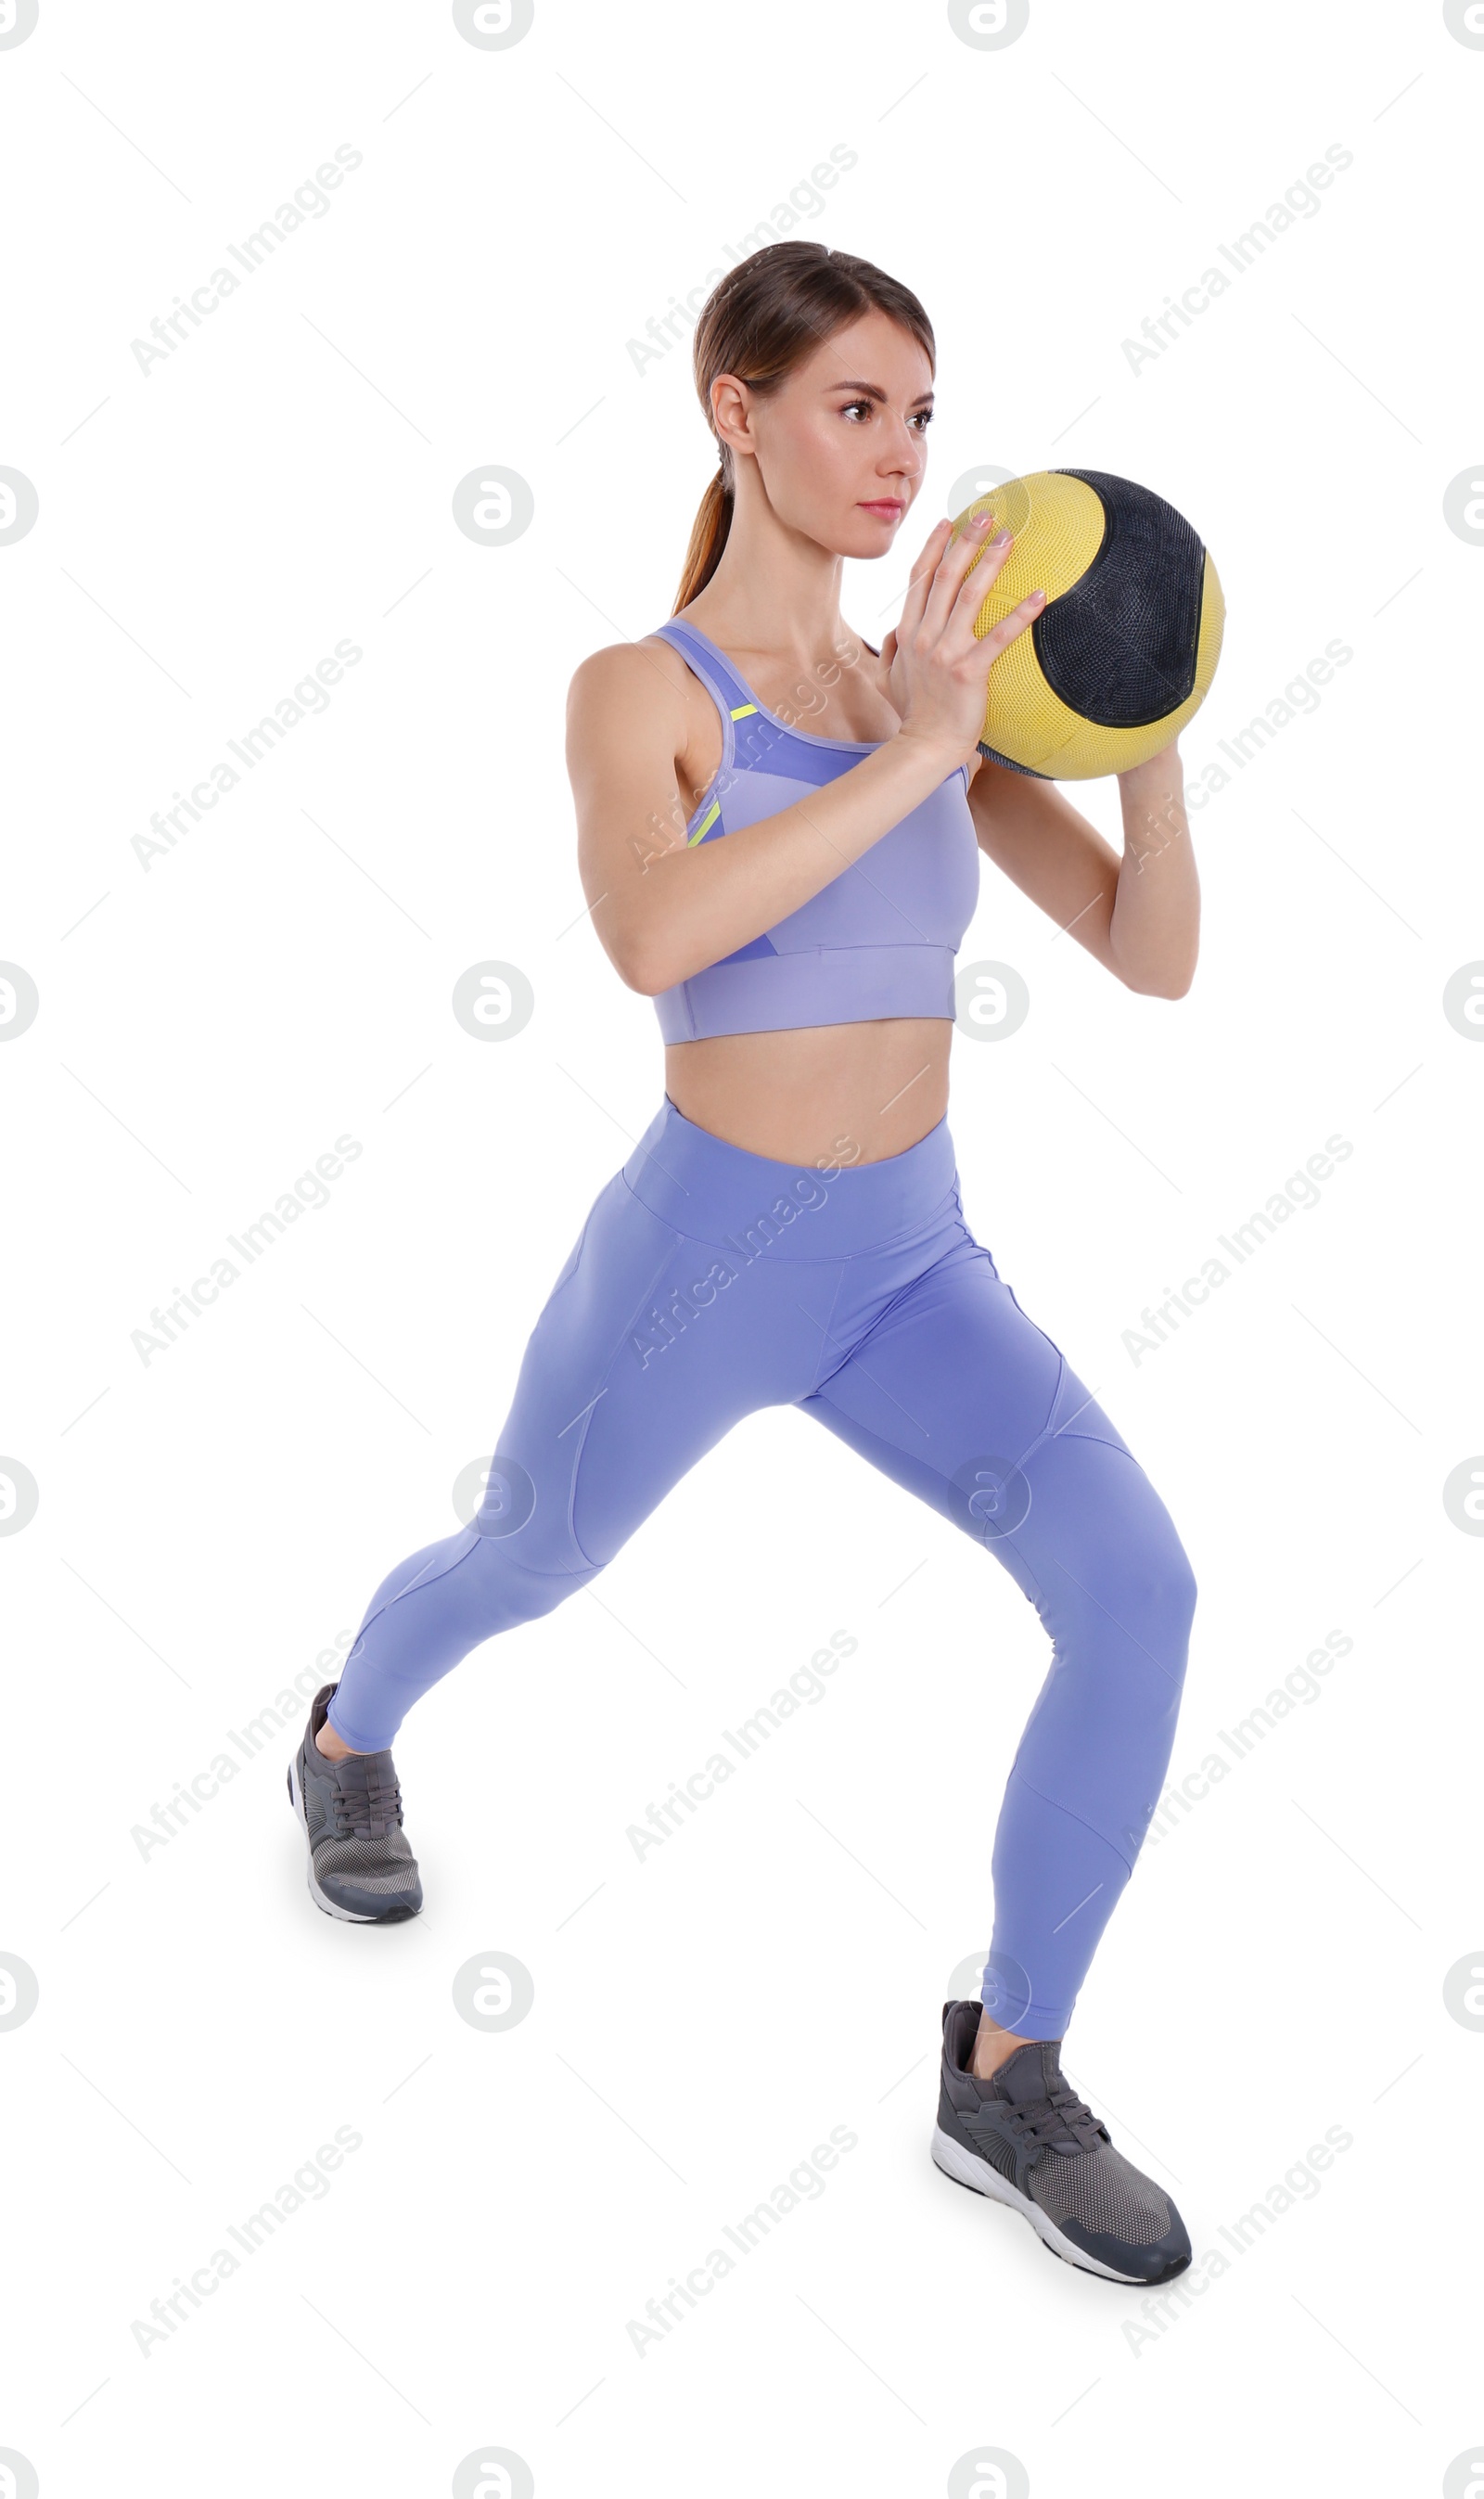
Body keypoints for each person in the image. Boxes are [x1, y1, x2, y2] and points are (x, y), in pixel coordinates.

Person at [288, 241, 1200, 2287]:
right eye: (852, 407)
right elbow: (651, 938)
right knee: (525, 1556)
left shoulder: (939, 700)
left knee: (1137, 1591)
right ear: (737, 411)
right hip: (702, 1266)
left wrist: (1138, 701)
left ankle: (1009, 2065)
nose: (897, 457)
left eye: (920, 413)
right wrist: (924, 746)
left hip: (908, 1275)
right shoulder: (648, 690)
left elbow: (1149, 958)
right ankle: (347, 1739)